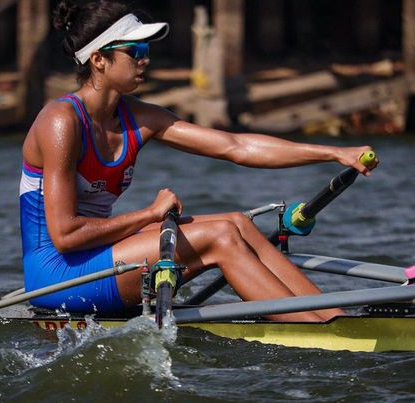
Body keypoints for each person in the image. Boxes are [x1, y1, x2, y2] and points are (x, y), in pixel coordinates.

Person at [19, 0, 378, 322]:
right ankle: (315, 331)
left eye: (146, 49)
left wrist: (331, 153)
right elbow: (65, 236)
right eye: (135, 50)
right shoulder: (61, 121)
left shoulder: (139, 117)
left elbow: (235, 145)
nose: (145, 58)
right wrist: (149, 214)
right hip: (56, 275)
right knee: (219, 235)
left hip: (96, 257)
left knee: (237, 222)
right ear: (98, 59)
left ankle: (334, 318)